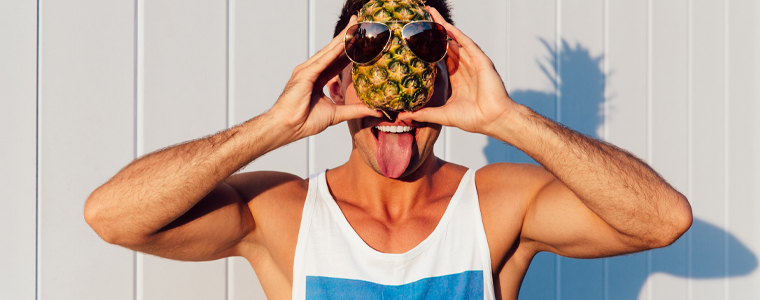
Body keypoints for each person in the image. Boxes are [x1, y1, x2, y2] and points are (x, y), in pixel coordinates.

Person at [84, 0, 692, 299]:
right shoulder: (281, 214)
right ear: (336, 84)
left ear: (448, 85)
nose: (396, 112)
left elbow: (664, 221)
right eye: (373, 79)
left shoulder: (498, 204)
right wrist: (272, 126)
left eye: (417, 88)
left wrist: (509, 119)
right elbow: (111, 217)